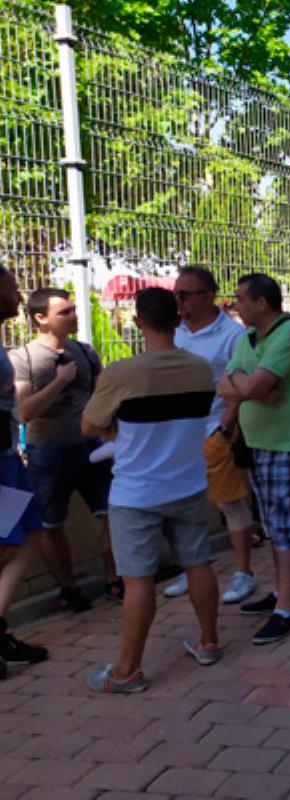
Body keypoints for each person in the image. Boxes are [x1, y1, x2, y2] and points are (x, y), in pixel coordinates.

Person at [81, 288, 220, 693]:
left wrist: (117, 428)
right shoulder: (200, 368)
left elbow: (89, 427)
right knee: (199, 564)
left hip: (136, 495)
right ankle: (209, 642)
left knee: (138, 581)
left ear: (138, 321)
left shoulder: (123, 372)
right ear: (178, 319)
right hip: (189, 484)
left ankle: (127, 670)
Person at [220, 274, 290, 646]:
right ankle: (282, 592)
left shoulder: (289, 335)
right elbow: (224, 383)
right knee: (274, 525)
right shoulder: (249, 338)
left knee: (285, 526)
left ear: (262, 303)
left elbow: (247, 386)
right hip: (257, 444)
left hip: (285, 446)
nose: (236, 305)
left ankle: (286, 610)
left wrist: (249, 386)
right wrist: (252, 387)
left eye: (242, 299)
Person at [13, 288, 116, 609]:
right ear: (41, 319)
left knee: (114, 514)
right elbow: (24, 411)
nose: (74, 316)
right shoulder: (23, 359)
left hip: (92, 447)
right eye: (65, 312)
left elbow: (102, 399)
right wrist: (59, 381)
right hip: (48, 453)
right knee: (51, 526)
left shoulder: (86, 352)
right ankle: (68, 591)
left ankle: (115, 581)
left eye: (73, 309)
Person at [164, 266, 259, 605]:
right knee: (183, 508)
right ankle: (193, 571)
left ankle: (243, 573)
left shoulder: (233, 335)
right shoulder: (174, 333)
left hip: (215, 432)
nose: (179, 301)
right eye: (177, 294)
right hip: (178, 437)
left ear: (209, 296)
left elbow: (241, 386)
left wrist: (224, 429)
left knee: (230, 503)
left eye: (185, 294)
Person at [0, 267, 50, 680]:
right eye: (12, 288)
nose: (19, 295)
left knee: (25, 536)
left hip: (7, 460)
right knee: (12, 543)